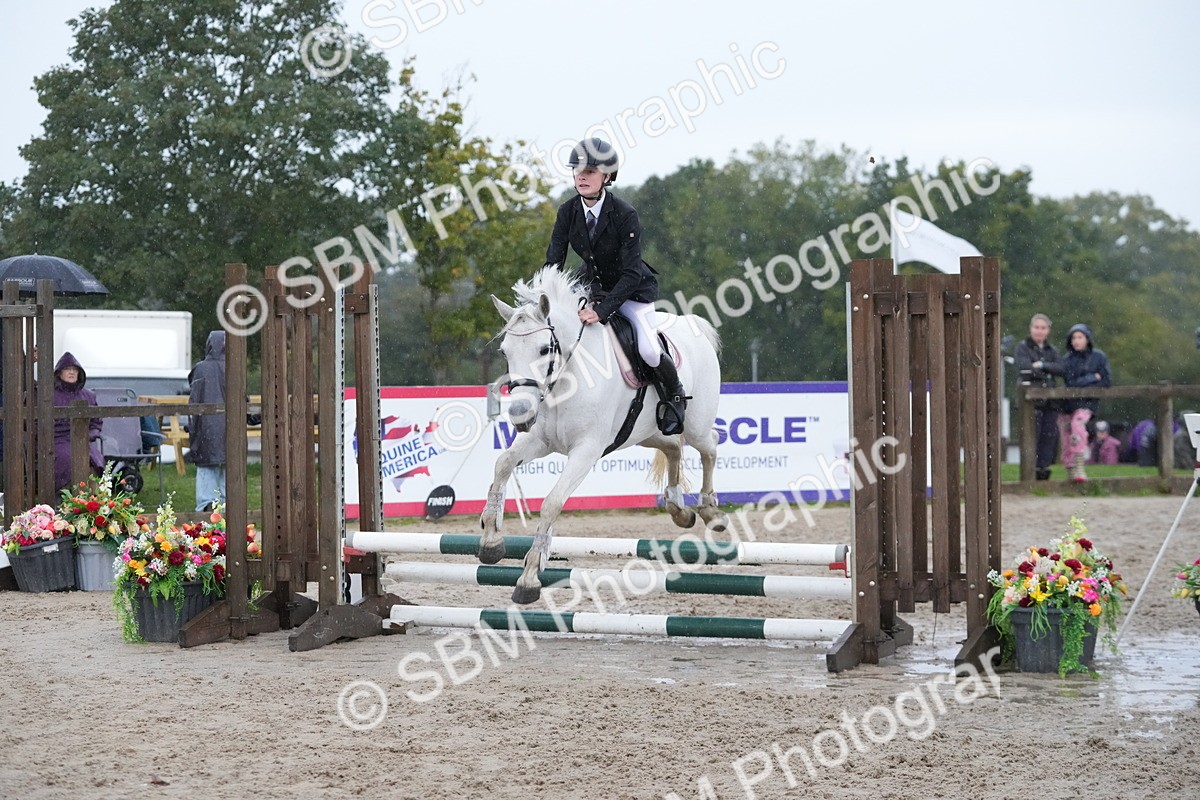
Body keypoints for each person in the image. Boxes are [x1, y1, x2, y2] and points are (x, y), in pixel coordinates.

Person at [543, 137, 687, 435]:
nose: (581, 176)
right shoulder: (567, 212)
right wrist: (544, 301)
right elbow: (553, 264)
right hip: (591, 287)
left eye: (590, 171)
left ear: (607, 176)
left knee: (648, 350)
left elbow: (631, 273)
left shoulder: (624, 214)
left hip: (632, 291)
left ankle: (675, 395)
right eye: (577, 170)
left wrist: (602, 311)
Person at [1057, 324, 1112, 482]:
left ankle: (1080, 466)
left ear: (1087, 338)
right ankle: (1071, 473)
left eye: (1080, 337)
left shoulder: (1098, 357)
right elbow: (1070, 383)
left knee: (1078, 428)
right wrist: (1092, 378)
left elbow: (1107, 380)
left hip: (1087, 403)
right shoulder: (1067, 360)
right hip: (1068, 404)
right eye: (1073, 338)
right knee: (1066, 437)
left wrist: (1085, 383)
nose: (1076, 341)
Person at [1014, 313, 1063, 480]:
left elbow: (1061, 369)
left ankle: (1044, 469)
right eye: (1036, 327)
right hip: (1031, 401)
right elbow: (1024, 368)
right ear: (1031, 328)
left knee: (1048, 436)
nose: (1039, 331)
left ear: (1048, 330)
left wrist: (1042, 365)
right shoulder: (1023, 347)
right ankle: (1031, 471)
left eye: (1043, 328)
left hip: (1050, 400)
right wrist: (1047, 372)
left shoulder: (1052, 350)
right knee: (1032, 435)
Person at [52, 352, 104, 492]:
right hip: (57, 440)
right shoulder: (48, 395)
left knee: (92, 459)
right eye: (67, 369)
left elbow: (96, 422)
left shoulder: (89, 396)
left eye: (75, 369)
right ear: (59, 373)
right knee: (68, 459)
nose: (71, 372)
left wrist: (89, 435)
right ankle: (70, 498)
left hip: (83, 439)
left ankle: (94, 501)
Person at [188, 331, 226, 512]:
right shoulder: (234, 367)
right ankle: (227, 509)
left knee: (206, 467)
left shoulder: (200, 368)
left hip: (205, 427)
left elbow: (194, 399)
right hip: (229, 428)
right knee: (230, 468)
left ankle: (206, 509)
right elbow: (244, 400)